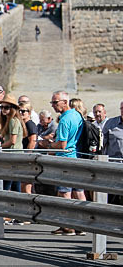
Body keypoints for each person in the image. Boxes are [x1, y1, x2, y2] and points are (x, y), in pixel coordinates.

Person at [42, 90, 86, 235]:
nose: (53, 105)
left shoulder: (65, 119)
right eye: (52, 102)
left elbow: (62, 144)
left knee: (64, 193)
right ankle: (82, 225)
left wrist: (48, 144)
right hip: (77, 158)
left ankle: (67, 226)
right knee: (78, 192)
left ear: (65, 102)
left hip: (65, 159)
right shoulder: (77, 115)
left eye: (55, 102)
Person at [101, 101, 123, 205]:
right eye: (122, 108)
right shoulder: (111, 123)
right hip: (114, 166)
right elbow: (103, 144)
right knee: (112, 199)